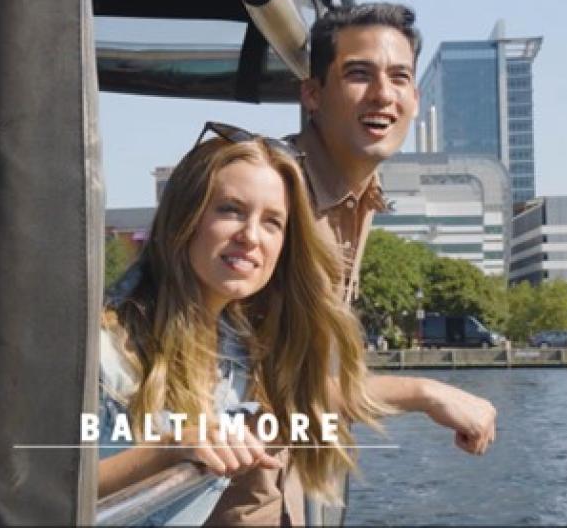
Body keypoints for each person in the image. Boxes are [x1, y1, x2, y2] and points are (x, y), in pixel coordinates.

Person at [205, 3, 497, 525]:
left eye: (399, 77)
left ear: (414, 98)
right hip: (218, 501)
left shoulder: (357, 198)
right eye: (359, 74)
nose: (383, 94)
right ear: (313, 95)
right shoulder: (273, 195)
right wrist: (425, 392)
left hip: (281, 493)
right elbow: (269, 387)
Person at [98, 126, 390, 524]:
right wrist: (168, 452)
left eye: (272, 222)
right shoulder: (105, 349)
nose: (251, 236)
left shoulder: (234, 344)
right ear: (186, 217)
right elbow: (33, 488)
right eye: (230, 209)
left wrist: (428, 395)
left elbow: (308, 396)